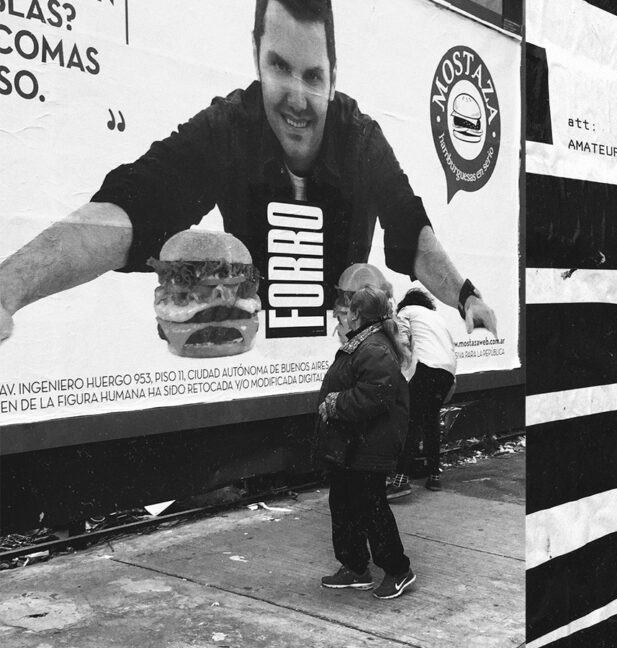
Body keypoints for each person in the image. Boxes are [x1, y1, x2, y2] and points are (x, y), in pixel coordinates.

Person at [0, 0, 496, 346]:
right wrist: (9, 289)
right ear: (256, 56)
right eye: (279, 67)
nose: (297, 98)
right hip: (250, 355)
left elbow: (410, 229)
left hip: (339, 347)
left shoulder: (361, 137)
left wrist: (466, 296)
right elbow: (131, 209)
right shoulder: (228, 126)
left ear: (333, 76)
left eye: (313, 76)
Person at [315, 284, 415, 599]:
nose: (344, 317)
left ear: (357, 313)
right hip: (354, 444)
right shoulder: (366, 342)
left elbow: (375, 394)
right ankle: (355, 567)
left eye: (347, 311)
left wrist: (335, 403)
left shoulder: (373, 347)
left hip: (370, 445)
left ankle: (398, 570)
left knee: (372, 509)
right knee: (344, 503)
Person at [387, 288, 458, 499]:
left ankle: (401, 480)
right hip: (447, 372)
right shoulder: (437, 318)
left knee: (413, 422)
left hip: (426, 369)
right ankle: (434, 475)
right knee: (431, 422)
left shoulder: (406, 312)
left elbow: (401, 341)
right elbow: (451, 347)